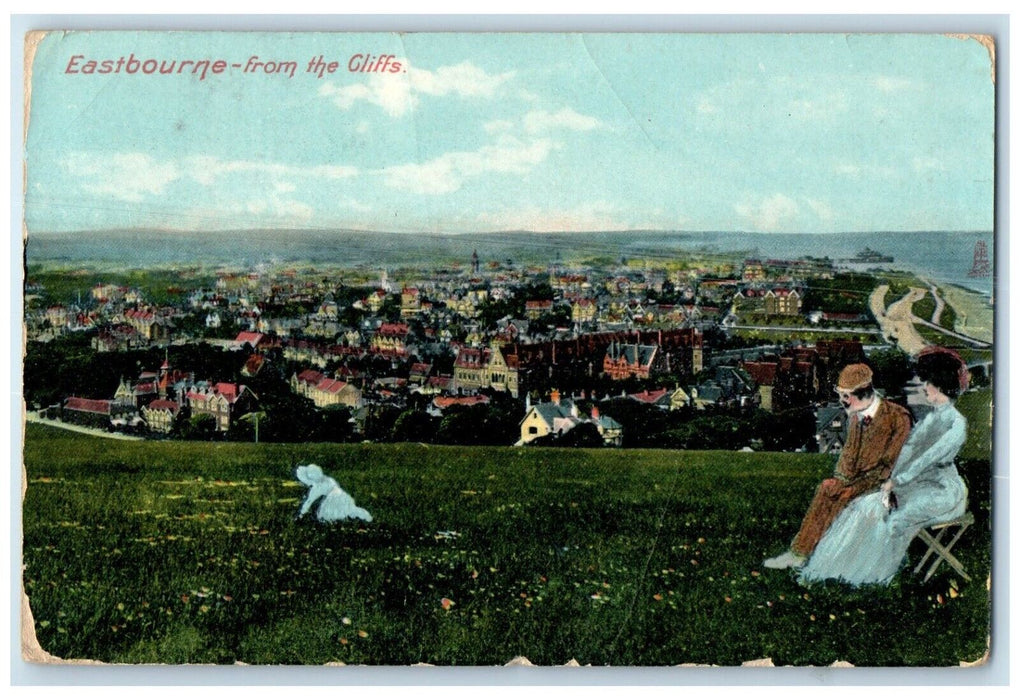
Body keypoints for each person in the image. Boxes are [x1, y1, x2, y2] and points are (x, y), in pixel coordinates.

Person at [799, 347, 969, 585]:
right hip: (916, 485)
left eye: (925, 381)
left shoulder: (956, 423)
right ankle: (838, 570)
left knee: (897, 520)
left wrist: (895, 483)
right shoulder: (930, 419)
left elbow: (927, 459)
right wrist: (891, 487)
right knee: (865, 507)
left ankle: (879, 577)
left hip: (943, 492)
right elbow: (906, 454)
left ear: (937, 384)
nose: (921, 386)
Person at [763, 363, 912, 570]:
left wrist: (852, 488)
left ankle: (822, 556)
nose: (842, 401)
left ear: (864, 393)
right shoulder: (855, 415)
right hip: (857, 481)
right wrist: (840, 480)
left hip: (887, 486)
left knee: (842, 497)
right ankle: (798, 553)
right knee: (827, 488)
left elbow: (889, 467)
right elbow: (848, 455)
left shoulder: (898, 418)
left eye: (846, 396)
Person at [296, 463, 373, 523]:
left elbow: (309, 501)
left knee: (325, 516)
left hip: (333, 498)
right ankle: (362, 518)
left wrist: (301, 514)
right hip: (342, 495)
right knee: (348, 510)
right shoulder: (329, 479)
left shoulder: (317, 488)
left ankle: (343, 521)